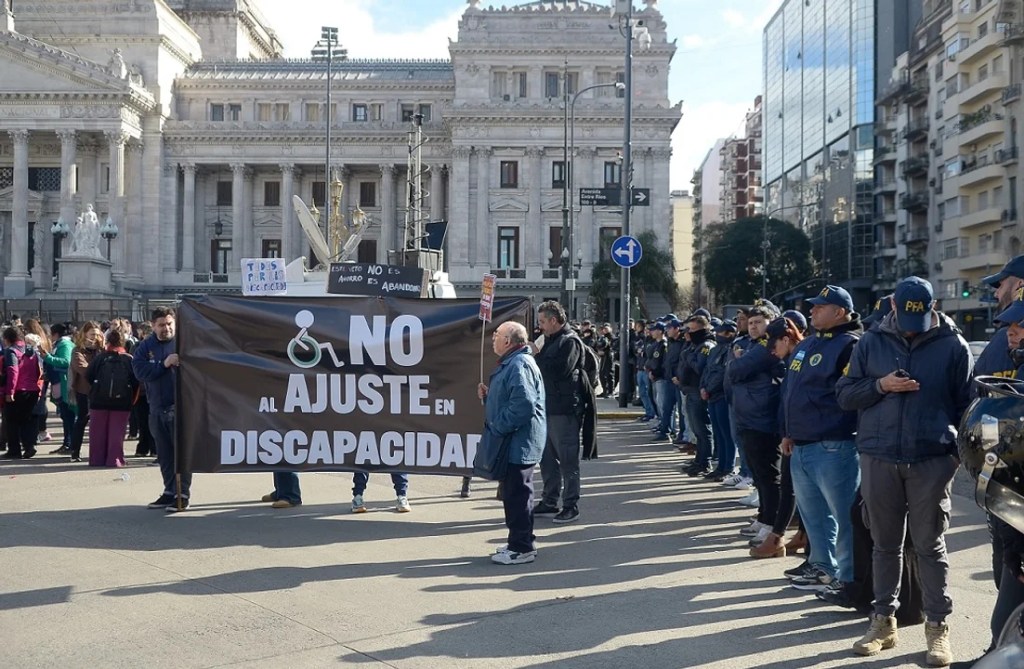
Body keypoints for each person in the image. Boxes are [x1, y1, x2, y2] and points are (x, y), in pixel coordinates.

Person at [836, 276, 972, 666]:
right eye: (908, 316)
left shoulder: (953, 345)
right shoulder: (870, 342)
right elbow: (845, 395)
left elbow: (966, 408)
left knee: (930, 546)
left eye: (922, 318)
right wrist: (881, 385)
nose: (915, 328)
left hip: (931, 459)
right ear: (893, 305)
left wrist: (957, 456)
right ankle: (883, 621)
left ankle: (938, 628)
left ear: (932, 308)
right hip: (878, 456)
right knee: (884, 545)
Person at [774, 286, 863, 594]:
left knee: (844, 516)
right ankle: (822, 565)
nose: (811, 311)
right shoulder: (809, 343)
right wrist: (787, 431)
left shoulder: (850, 346)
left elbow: (851, 395)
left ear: (839, 312)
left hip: (834, 444)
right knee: (813, 515)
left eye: (819, 307)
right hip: (800, 443)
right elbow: (791, 391)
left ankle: (848, 576)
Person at [477, 321, 546, 565]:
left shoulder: (518, 364)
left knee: (517, 495)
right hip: (516, 441)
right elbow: (512, 398)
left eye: (497, 334)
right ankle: (520, 540)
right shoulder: (514, 362)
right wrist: (490, 396)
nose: (493, 338)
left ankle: (521, 547)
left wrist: (498, 426)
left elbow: (522, 406)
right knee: (515, 494)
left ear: (508, 341)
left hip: (518, 442)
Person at [727, 303, 785, 544]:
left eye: (758, 322)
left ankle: (771, 521)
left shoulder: (766, 348)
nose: (752, 327)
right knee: (759, 474)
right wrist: (738, 361)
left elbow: (736, 369)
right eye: (750, 323)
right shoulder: (751, 346)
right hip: (748, 417)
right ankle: (763, 516)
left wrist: (738, 360)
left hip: (762, 419)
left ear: (770, 323)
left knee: (768, 475)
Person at [133, 307, 191, 512]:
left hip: (180, 408)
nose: (165, 328)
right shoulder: (145, 346)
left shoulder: (185, 343)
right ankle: (169, 492)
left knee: (181, 454)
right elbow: (140, 371)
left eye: (169, 324)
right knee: (165, 454)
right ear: (153, 326)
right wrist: (163, 364)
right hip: (157, 408)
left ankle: (182, 494)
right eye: (161, 325)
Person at [534, 300, 584, 524]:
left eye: (543, 322)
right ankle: (550, 499)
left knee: (567, 460)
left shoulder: (569, 341)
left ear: (554, 320)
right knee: (546, 459)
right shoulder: (549, 340)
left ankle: (571, 505)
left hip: (564, 411)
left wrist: (536, 355)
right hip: (546, 408)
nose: (540, 326)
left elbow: (560, 370)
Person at [85, 329, 138, 468]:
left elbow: (88, 375)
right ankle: (114, 460)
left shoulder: (100, 358)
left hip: (99, 400)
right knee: (117, 432)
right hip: (122, 402)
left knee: (97, 432)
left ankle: (96, 459)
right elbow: (136, 380)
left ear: (107, 341)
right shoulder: (128, 359)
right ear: (123, 342)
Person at [679, 315, 715, 476]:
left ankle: (705, 461)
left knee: (702, 429)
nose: (688, 333)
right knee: (696, 430)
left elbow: (699, 367)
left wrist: (688, 356)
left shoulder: (706, 345)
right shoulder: (693, 346)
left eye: (692, 329)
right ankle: (699, 460)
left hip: (697, 390)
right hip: (689, 389)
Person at [702, 319, 737, 482]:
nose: (717, 334)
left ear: (730, 333)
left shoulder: (730, 349)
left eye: (721, 332)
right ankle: (720, 466)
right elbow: (707, 371)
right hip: (711, 395)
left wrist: (708, 389)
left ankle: (728, 467)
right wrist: (703, 387)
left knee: (726, 434)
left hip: (721, 395)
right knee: (718, 433)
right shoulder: (715, 350)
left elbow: (723, 373)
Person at [1, 326, 41, 459]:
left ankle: (14, 450)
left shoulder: (11, 351)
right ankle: (29, 446)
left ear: (7, 339)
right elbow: (38, 369)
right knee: (27, 420)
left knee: (12, 421)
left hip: (18, 390)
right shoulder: (31, 350)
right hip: (33, 390)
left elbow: (13, 370)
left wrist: (10, 391)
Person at [68, 321, 104, 463]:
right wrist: (100, 371)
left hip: (101, 390)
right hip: (84, 390)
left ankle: (98, 452)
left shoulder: (101, 349)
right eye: (92, 334)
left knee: (99, 422)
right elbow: (82, 368)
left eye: (97, 334)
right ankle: (74, 451)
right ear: (85, 334)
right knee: (82, 420)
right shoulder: (78, 350)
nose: (94, 337)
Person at [42, 323, 76, 456]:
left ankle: (71, 444)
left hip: (64, 385)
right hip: (58, 384)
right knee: (65, 416)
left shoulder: (65, 345)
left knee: (68, 416)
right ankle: (67, 443)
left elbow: (66, 362)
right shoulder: (59, 344)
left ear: (55, 334)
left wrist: (48, 358)